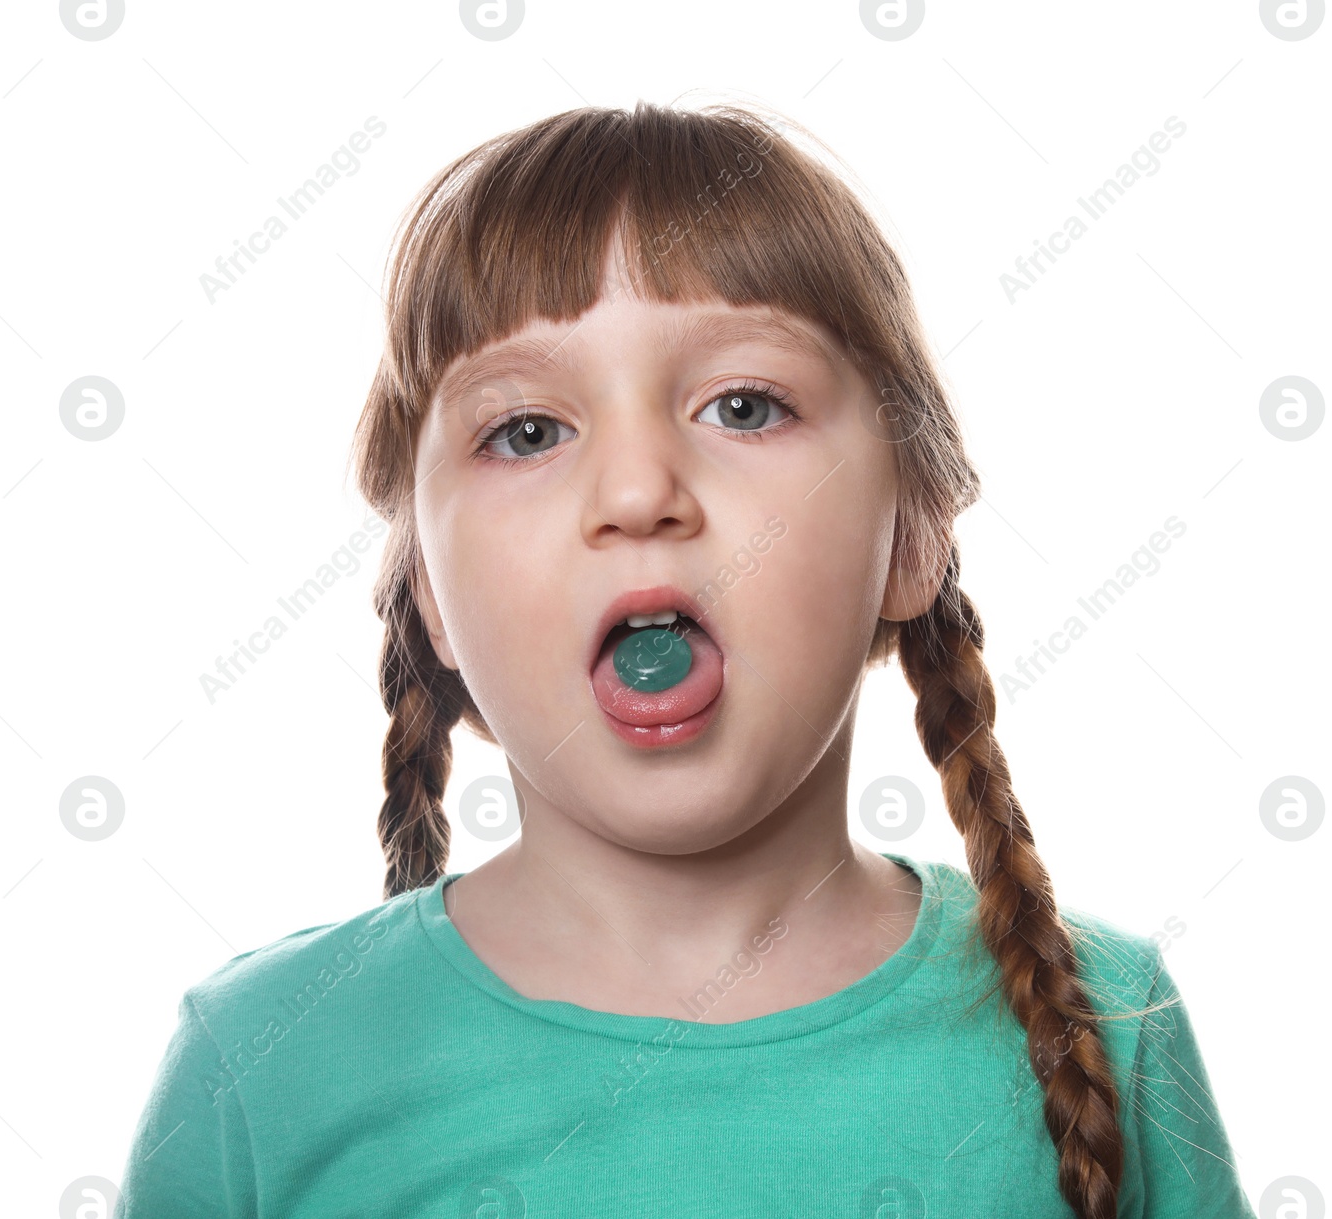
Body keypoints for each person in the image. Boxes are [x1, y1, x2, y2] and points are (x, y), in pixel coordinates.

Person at [115, 99, 1256, 1219]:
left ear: (912, 536)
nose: (636, 492)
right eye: (527, 432)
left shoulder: (1105, 1025)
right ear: (429, 595)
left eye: (744, 405)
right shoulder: (259, 1071)